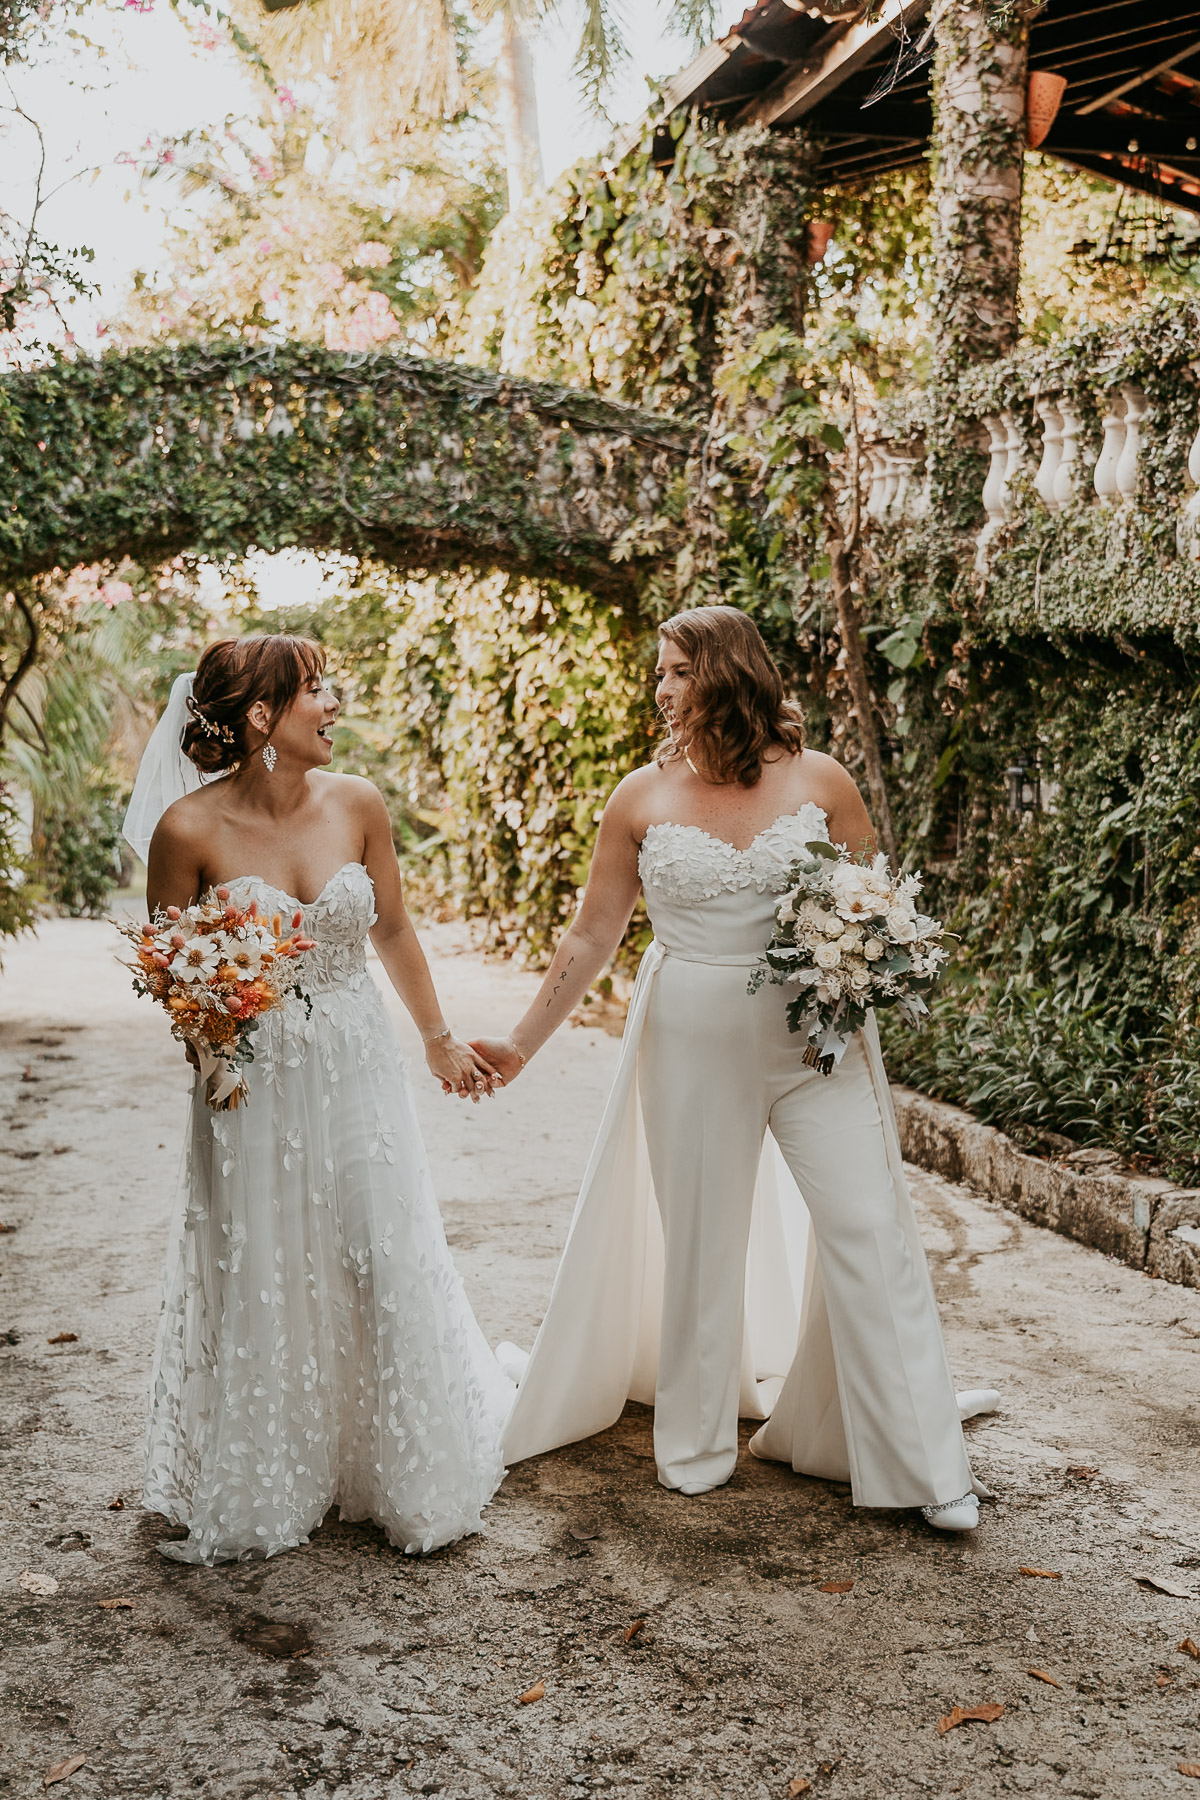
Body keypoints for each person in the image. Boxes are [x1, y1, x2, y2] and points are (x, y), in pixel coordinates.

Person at [476, 605, 996, 1533]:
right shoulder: (639, 797)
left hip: (815, 1045)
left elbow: (870, 905)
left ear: (726, 674)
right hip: (688, 1040)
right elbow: (594, 932)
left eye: (676, 670)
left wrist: (871, 960)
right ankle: (696, 1441)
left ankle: (922, 1462)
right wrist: (521, 1042)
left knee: (869, 1228)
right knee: (704, 1240)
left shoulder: (821, 780)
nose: (661, 688)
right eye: (661, 672)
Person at [125, 635, 511, 1564]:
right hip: (249, 1081)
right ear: (262, 717)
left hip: (357, 1060)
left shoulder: (359, 804)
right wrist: (213, 1061)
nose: (334, 705)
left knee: (377, 1249)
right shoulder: (186, 831)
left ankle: (399, 1472)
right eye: (316, 691)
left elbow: (396, 928)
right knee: (268, 1266)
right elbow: (177, 978)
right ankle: (273, 1475)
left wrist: (438, 1039)